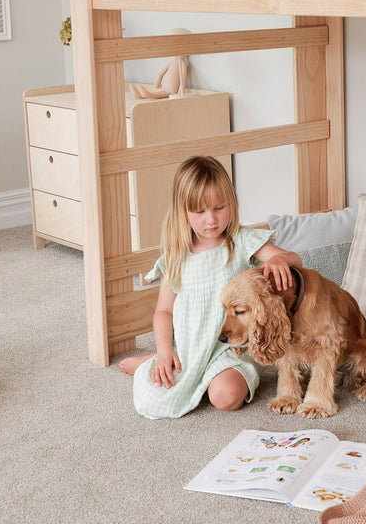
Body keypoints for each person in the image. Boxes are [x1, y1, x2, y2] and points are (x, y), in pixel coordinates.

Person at [120, 155, 302, 419]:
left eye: (219, 207)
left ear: (232, 203)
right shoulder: (177, 256)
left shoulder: (241, 240)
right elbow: (164, 312)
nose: (211, 220)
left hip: (231, 348)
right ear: (183, 212)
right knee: (155, 395)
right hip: (190, 349)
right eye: (200, 212)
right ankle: (151, 360)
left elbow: (295, 259)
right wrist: (165, 351)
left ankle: (207, 379)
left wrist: (280, 260)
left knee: (226, 397)